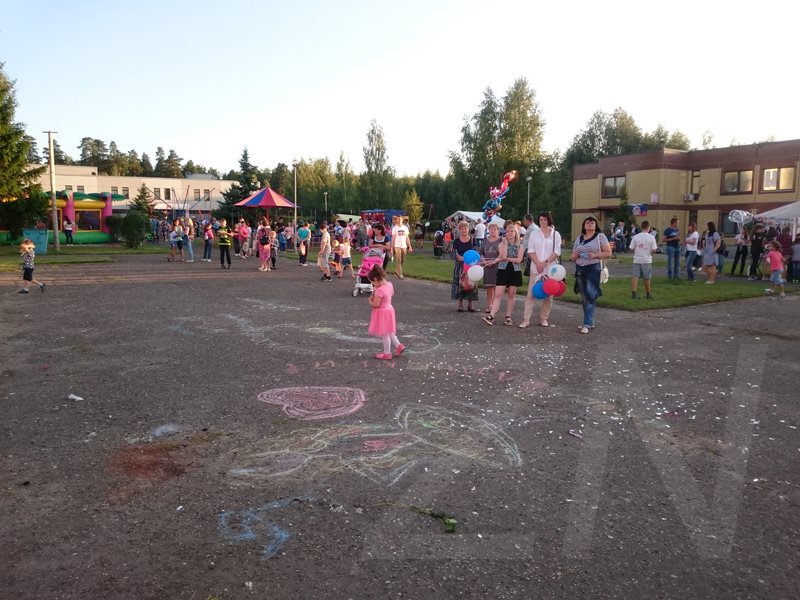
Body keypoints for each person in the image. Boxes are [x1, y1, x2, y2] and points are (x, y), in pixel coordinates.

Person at [570, 217, 612, 334]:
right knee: (584, 297)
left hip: (593, 268)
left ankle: (587, 323)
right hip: (580, 269)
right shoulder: (579, 239)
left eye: (592, 222)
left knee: (590, 295)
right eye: (587, 223)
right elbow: (572, 257)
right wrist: (575, 255)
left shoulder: (600, 237)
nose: (589, 224)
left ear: (595, 225)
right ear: (584, 225)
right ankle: (589, 320)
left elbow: (608, 253)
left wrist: (595, 255)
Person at [520, 212, 561, 328]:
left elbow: (557, 251)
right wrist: (538, 264)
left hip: (550, 269)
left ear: (549, 221)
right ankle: (526, 319)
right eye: (541, 220)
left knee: (549, 295)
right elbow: (530, 250)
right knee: (531, 295)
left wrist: (545, 263)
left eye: (545, 220)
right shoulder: (534, 234)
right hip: (536, 268)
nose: (543, 222)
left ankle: (544, 318)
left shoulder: (555, 235)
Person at [482, 222, 524, 326]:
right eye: (507, 231)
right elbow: (503, 255)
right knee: (498, 294)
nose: (509, 233)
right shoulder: (501, 244)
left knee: (511, 294)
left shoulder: (520, 246)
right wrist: (505, 244)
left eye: (512, 231)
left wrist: (507, 259)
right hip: (503, 270)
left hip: (515, 271)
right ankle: (491, 315)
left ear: (516, 233)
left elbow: (518, 260)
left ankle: (508, 316)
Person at [367, 264, 405, 360]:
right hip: (389, 309)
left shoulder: (379, 290)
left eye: (372, 282)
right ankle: (398, 346)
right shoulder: (389, 285)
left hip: (382, 312)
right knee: (389, 331)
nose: (373, 285)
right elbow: (391, 294)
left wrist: (370, 301)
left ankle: (387, 353)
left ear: (375, 279)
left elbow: (376, 304)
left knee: (385, 333)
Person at [451, 220, 479, 312]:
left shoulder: (472, 240)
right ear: (459, 230)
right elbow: (454, 255)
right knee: (460, 284)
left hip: (471, 266)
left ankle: (470, 304)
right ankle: (460, 304)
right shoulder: (456, 241)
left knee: (471, 285)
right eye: (462, 229)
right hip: (459, 266)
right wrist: (462, 258)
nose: (464, 230)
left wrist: (464, 259)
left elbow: (475, 253)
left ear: (468, 229)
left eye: (465, 228)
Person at [629, 220, 658, 299]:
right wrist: (651, 254)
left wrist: (635, 252)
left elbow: (631, 248)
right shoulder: (651, 237)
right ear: (648, 228)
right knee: (647, 277)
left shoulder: (636, 237)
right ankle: (648, 293)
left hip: (637, 259)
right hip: (646, 259)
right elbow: (654, 249)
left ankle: (634, 293)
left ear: (641, 227)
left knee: (635, 276)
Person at [478, 222, 502, 316]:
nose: (492, 231)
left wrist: (495, 261)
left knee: (497, 287)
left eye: (494, 229)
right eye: (491, 229)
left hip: (497, 266)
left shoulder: (501, 240)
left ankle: (496, 305)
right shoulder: (485, 240)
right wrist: (484, 261)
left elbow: (502, 253)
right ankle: (489, 305)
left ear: (498, 231)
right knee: (489, 287)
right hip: (487, 266)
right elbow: (481, 253)